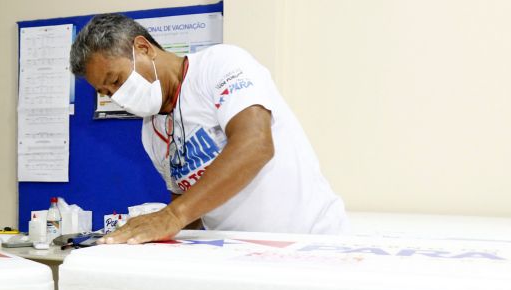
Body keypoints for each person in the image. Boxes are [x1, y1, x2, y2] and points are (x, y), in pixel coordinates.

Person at [69, 14, 349, 244]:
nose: (117, 95)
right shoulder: (151, 132)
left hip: (310, 243)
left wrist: (172, 216)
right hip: (240, 253)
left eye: (116, 80)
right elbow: (188, 202)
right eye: (107, 92)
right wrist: (153, 237)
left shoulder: (219, 65)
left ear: (143, 48)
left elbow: (255, 144)